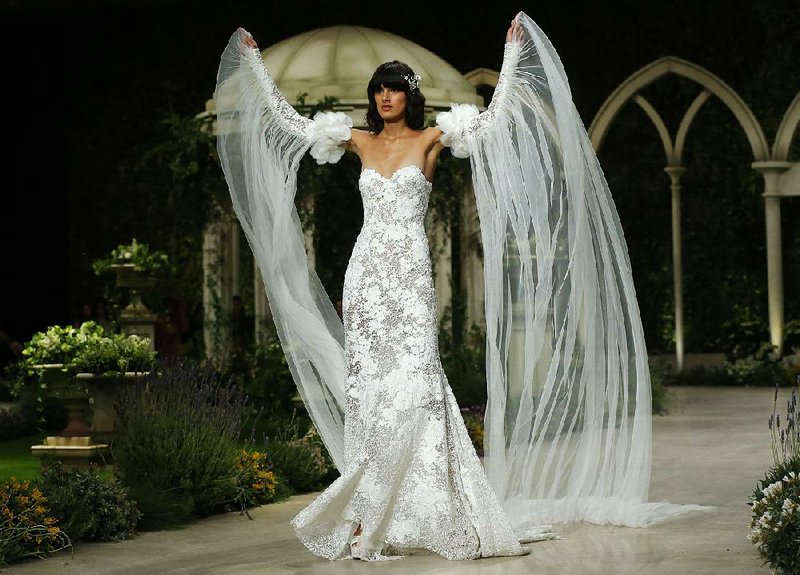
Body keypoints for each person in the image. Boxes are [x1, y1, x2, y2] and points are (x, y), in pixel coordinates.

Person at [216, 12, 703, 562]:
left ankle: (437, 508)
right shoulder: (354, 141)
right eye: (377, 90)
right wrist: (255, 70)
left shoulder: (431, 140)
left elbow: (495, 122)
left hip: (409, 276)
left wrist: (513, 60)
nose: (383, 98)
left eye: (393, 90)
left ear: (409, 96)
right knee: (370, 391)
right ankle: (367, 515)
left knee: (420, 382)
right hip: (367, 279)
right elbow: (288, 123)